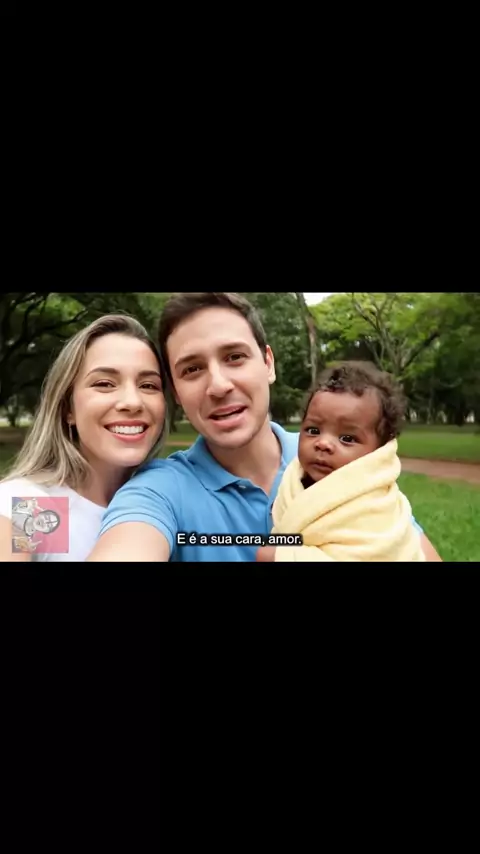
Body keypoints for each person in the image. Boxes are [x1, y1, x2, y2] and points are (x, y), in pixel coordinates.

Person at [87, 292, 441, 562]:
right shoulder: (157, 491)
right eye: (192, 369)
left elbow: (405, 545)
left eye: (234, 357)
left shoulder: (343, 458)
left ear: (268, 363)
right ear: (176, 392)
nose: (219, 385)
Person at [0, 314, 170, 562]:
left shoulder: (165, 498)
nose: (133, 402)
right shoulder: (39, 505)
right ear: (68, 409)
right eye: (105, 383)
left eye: (148, 385)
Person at [258, 361, 425, 562]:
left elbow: (378, 551)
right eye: (313, 430)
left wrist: (282, 556)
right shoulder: (294, 480)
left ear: (378, 452)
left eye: (347, 438)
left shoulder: (375, 505)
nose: (323, 443)